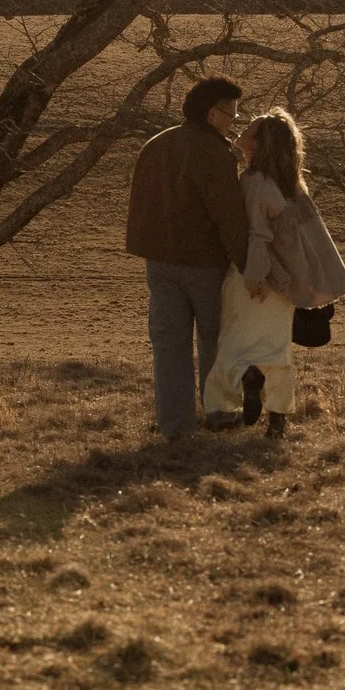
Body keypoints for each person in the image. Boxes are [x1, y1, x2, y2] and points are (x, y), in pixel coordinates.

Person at [203, 107, 345, 440]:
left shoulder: (254, 182)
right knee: (277, 350)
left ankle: (243, 383)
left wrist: (254, 277)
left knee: (232, 346)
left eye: (250, 129)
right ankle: (277, 419)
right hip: (283, 286)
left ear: (259, 144)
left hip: (255, 279)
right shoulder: (290, 186)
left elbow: (258, 236)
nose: (242, 130)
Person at [125, 76, 250, 439]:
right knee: (215, 339)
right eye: (232, 114)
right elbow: (229, 216)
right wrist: (246, 264)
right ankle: (219, 413)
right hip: (204, 263)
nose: (234, 122)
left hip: (159, 262)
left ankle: (174, 425)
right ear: (213, 113)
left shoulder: (157, 144)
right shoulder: (215, 154)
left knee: (169, 343)